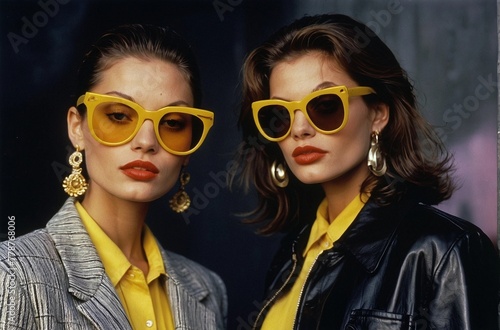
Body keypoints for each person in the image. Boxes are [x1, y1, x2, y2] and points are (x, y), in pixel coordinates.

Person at [232, 14, 499, 329]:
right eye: (280, 114)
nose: (300, 129)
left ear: (378, 114)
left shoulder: (443, 252)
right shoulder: (290, 256)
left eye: (325, 105)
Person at [0, 24, 226, 329]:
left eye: (172, 123)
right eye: (119, 116)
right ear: (77, 128)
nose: (146, 141)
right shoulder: (13, 273)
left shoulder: (208, 289)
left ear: (188, 147)